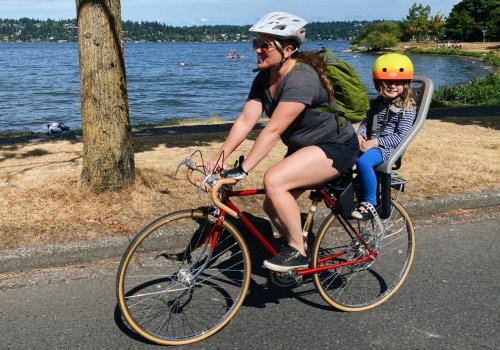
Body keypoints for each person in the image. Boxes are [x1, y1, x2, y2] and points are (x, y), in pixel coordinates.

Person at [205, 12, 359, 272]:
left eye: (265, 45)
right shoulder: (264, 78)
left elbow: (274, 129)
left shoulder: (301, 78)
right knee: (271, 203)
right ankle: (300, 247)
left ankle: (297, 251)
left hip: (336, 146)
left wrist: (243, 170)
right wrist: (219, 158)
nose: (258, 50)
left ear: (287, 49)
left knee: (274, 180)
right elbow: (246, 120)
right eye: (256, 43)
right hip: (305, 147)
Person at [351, 53, 417, 220]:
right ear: (379, 83)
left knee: (364, 162)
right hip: (371, 143)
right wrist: (360, 136)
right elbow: (367, 124)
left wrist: (374, 142)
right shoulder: (377, 103)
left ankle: (370, 202)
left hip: (387, 149)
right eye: (387, 82)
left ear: (406, 84)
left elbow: (401, 136)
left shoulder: (407, 108)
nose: (392, 85)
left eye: (398, 82)